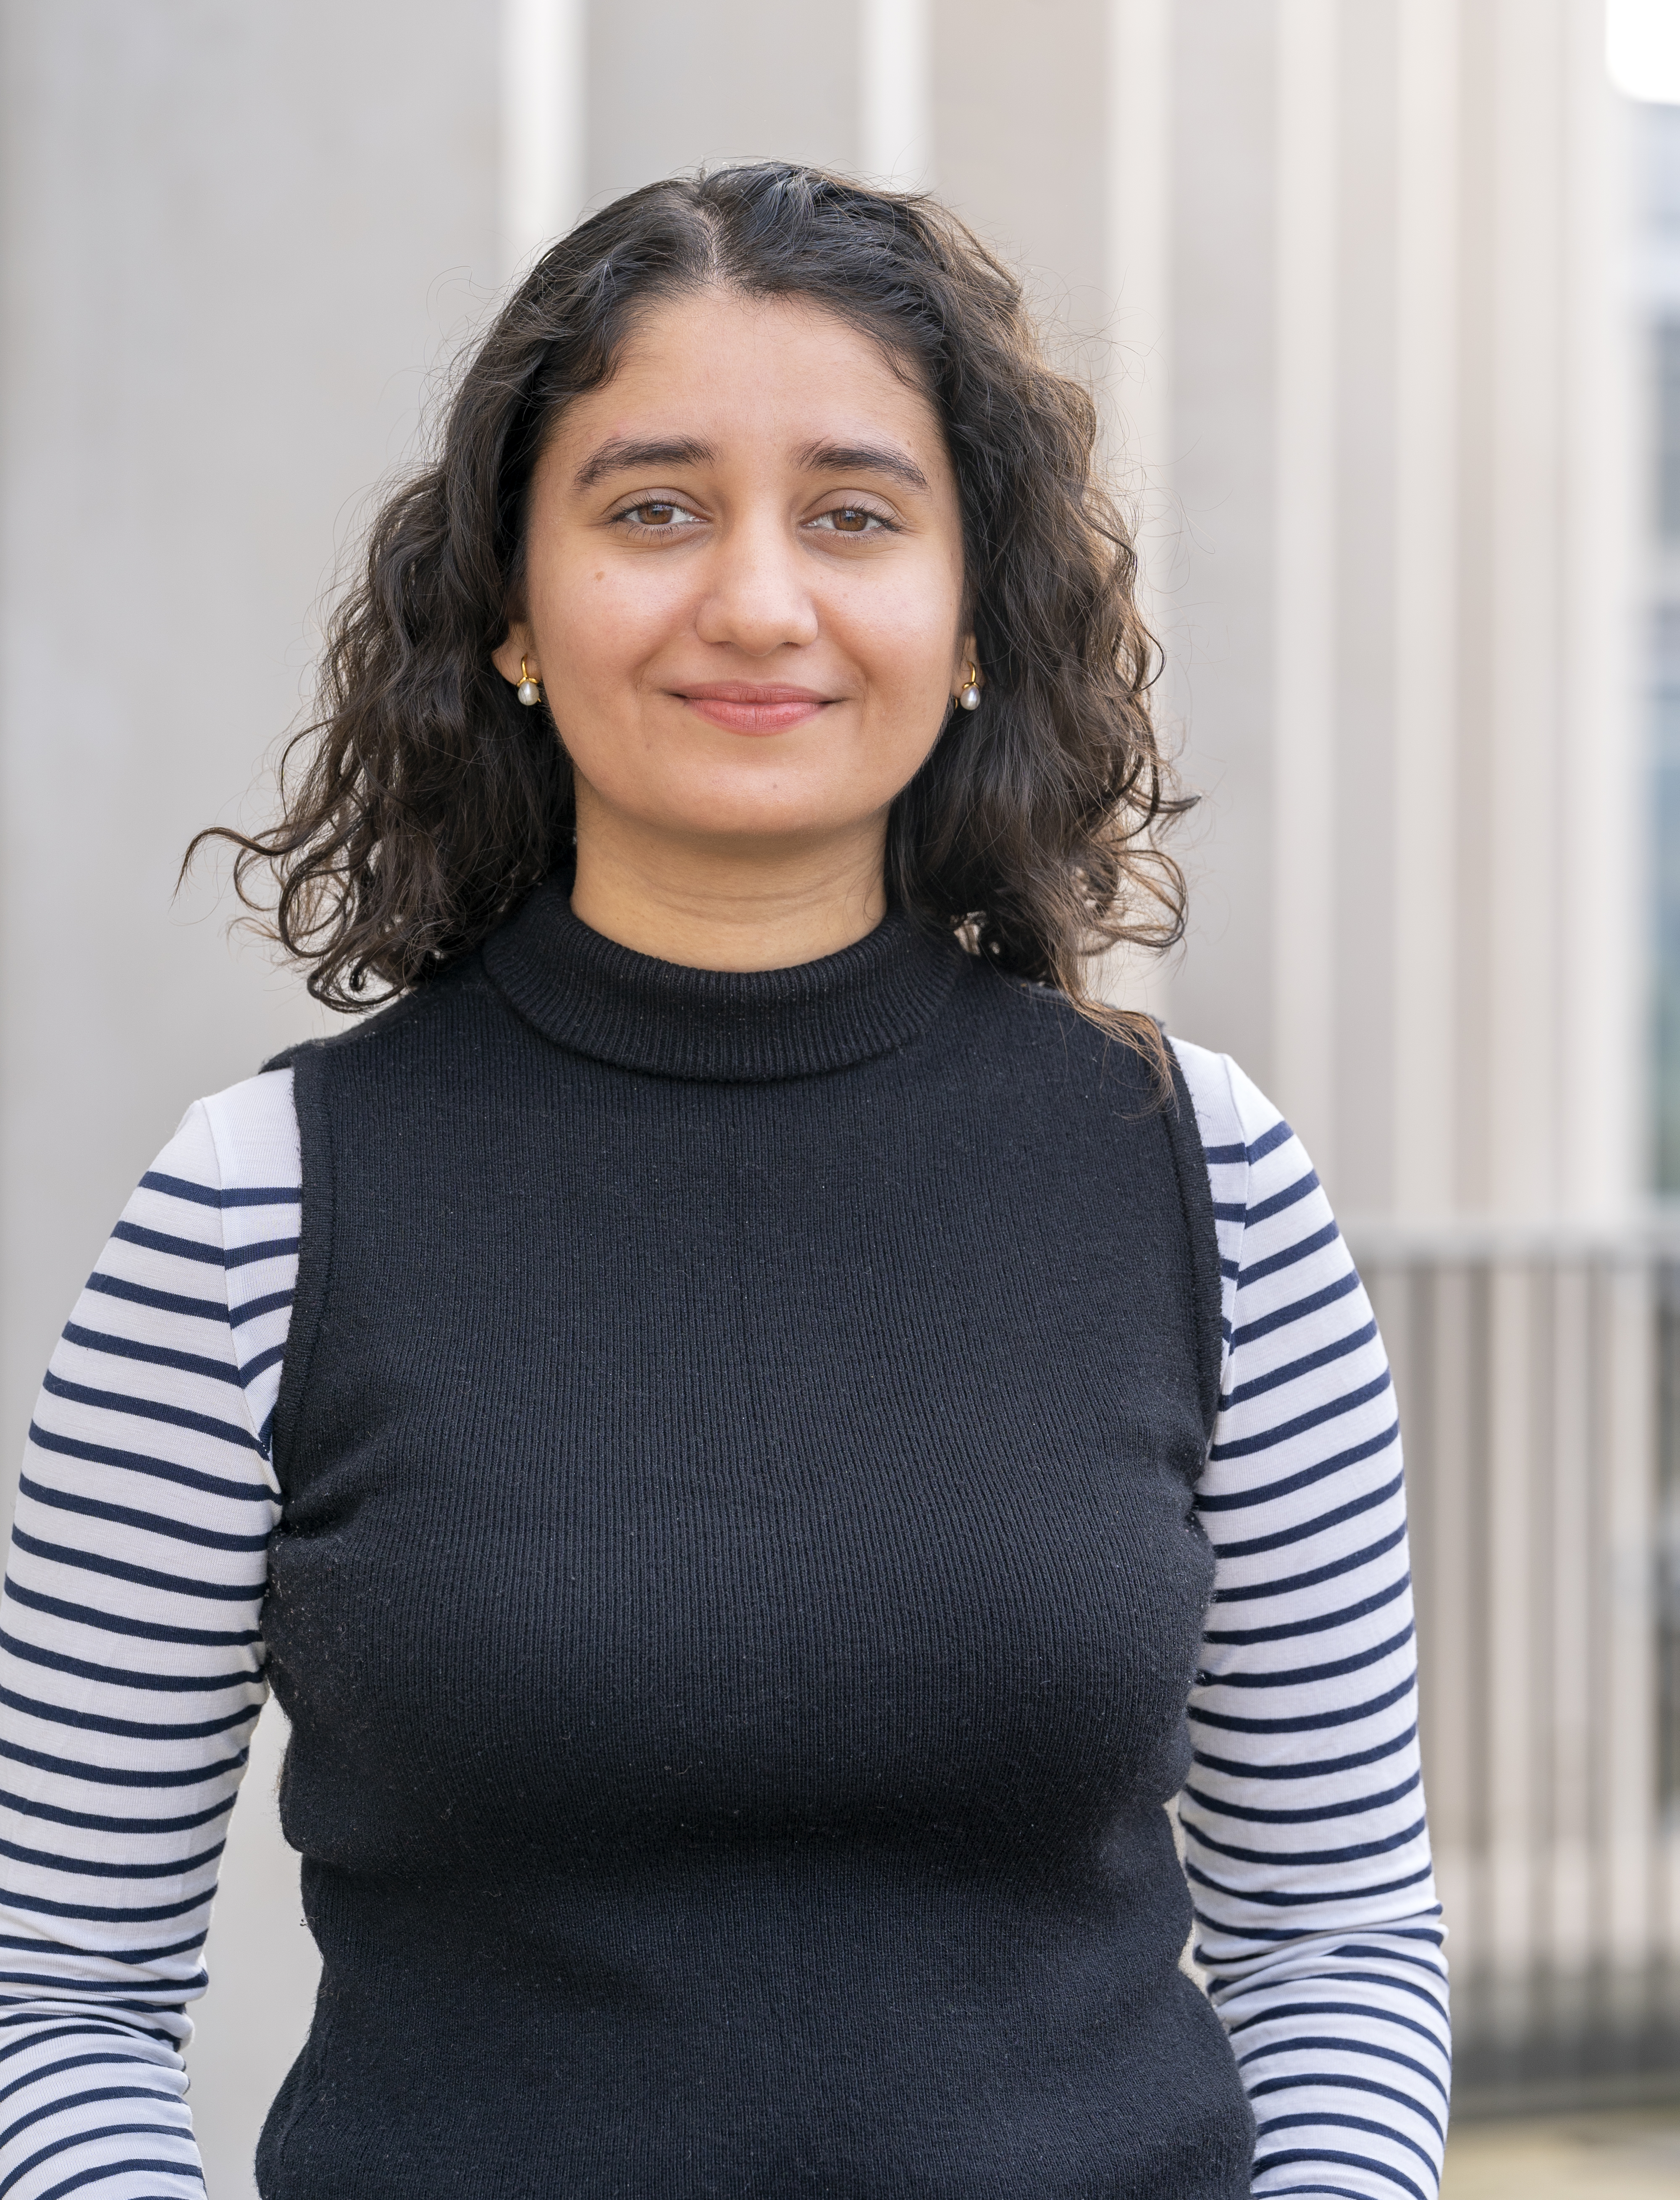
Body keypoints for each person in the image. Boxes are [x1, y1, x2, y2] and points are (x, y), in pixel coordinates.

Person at [0, 166, 1448, 2200]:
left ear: (968, 623)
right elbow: (51, 1991)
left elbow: (1335, 1939)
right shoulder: (258, 1212)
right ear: (512, 605)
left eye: (854, 514)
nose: (758, 600)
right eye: (652, 506)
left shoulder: (1202, 1184)